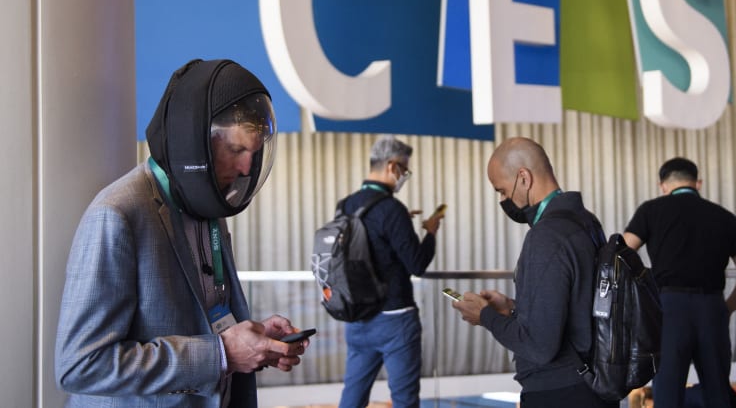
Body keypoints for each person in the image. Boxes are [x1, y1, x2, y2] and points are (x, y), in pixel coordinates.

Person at [55, 59, 309, 407]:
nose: (246, 168)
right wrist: (219, 355)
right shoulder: (116, 215)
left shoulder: (205, 209)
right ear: (192, 143)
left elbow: (206, 318)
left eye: (253, 153)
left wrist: (254, 339)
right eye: (236, 150)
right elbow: (81, 365)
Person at [451, 137, 619, 408]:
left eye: (502, 191)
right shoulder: (587, 222)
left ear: (524, 177)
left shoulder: (546, 236)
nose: (503, 200)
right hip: (591, 383)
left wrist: (487, 317)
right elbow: (573, 310)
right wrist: (513, 308)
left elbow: (540, 347)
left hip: (559, 391)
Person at [623, 157, 736, 408]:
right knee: (718, 394)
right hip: (712, 308)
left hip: (669, 310)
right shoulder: (724, 217)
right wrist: (726, 308)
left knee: (667, 393)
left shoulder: (651, 210)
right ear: (698, 183)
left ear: (662, 185)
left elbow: (621, 256)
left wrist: (643, 299)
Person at [338, 135, 444, 408]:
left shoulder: (346, 205)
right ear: (391, 166)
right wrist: (430, 233)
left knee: (352, 398)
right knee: (404, 400)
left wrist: (398, 224)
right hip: (395, 319)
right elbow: (417, 264)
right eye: (404, 169)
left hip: (357, 318)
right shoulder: (391, 209)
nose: (404, 176)